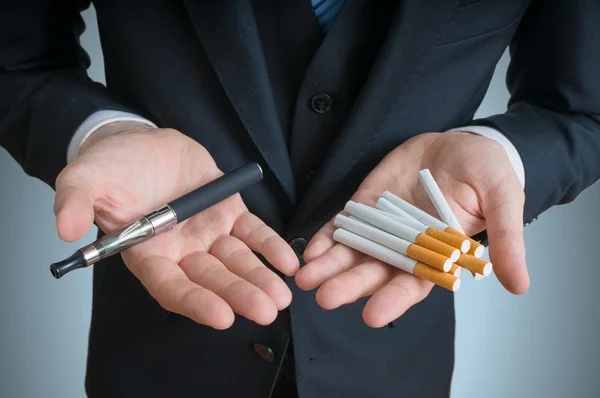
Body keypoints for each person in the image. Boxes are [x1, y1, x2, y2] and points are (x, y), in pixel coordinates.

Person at [1, 1, 599, 397]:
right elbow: (16, 58)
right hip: (161, 356)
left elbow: (583, 107)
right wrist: (101, 132)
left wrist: (503, 152)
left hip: (389, 361)